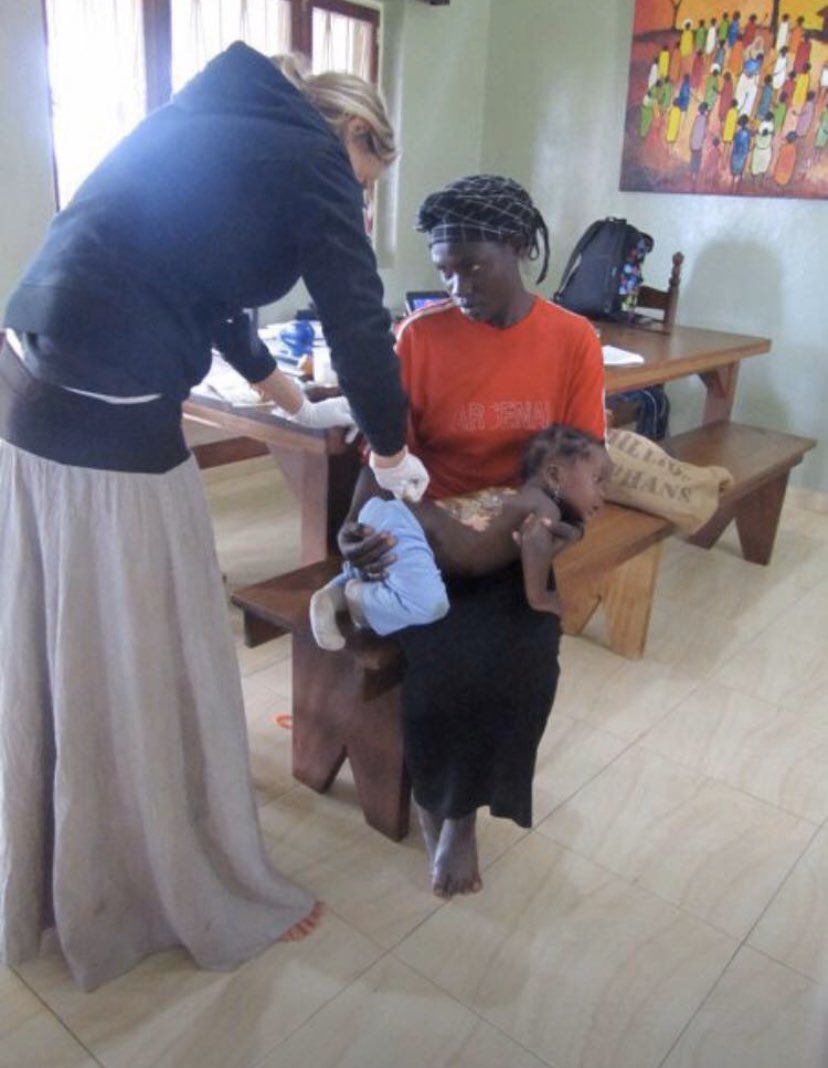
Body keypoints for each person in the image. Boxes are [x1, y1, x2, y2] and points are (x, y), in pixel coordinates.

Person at [0, 41, 429, 991]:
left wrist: (286, 396)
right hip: (101, 409)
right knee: (148, 641)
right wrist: (393, 452)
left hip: (27, 382)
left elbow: (211, 290)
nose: (357, 202)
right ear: (357, 134)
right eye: (366, 179)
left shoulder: (220, 121)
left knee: (72, 644)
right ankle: (152, 875)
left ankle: (66, 846)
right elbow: (357, 316)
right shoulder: (308, 154)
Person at [336, 175, 606, 899]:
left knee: (526, 662)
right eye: (445, 268)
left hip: (527, 533)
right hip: (432, 528)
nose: (456, 284)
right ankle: (448, 811)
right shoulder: (419, 339)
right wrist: (352, 530)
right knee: (446, 658)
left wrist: (539, 525)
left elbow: (578, 469)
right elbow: (385, 457)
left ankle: (473, 804)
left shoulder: (571, 341)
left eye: (474, 265)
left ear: (518, 248)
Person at [310, 424, 610, 649]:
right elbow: (534, 540)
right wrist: (540, 597)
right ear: (555, 476)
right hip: (406, 531)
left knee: (390, 571)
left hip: (394, 520)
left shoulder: (517, 496)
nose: (603, 494)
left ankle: (329, 598)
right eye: (598, 480)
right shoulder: (544, 508)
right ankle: (360, 599)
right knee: (430, 604)